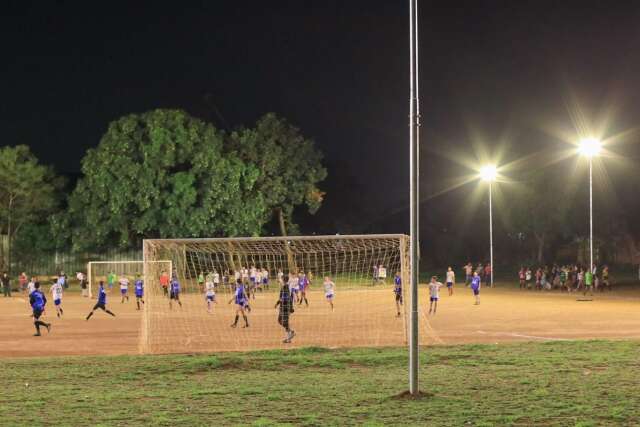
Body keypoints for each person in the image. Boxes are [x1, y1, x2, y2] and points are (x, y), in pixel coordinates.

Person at [275, 278, 295, 343]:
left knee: (284, 321)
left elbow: (288, 298)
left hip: (286, 308)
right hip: (283, 307)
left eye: (280, 280)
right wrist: (277, 303)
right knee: (280, 320)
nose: (279, 281)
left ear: (283, 281)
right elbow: (281, 298)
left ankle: (289, 338)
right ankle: (290, 332)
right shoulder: (283, 288)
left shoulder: (286, 288)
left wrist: (291, 308)